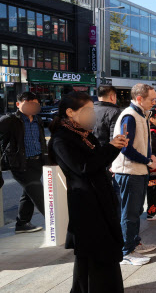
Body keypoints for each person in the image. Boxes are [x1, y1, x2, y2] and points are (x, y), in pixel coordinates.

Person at [48, 92, 128, 293]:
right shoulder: (61, 139)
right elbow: (82, 168)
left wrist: (114, 147)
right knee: (95, 253)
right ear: (70, 112)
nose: (92, 115)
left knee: (97, 256)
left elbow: (98, 161)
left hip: (100, 199)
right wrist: (110, 148)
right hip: (86, 205)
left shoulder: (85, 133)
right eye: (87, 111)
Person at [111, 83, 156, 266]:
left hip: (137, 170)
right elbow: (125, 147)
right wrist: (147, 161)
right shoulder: (130, 116)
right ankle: (126, 252)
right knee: (129, 213)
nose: (154, 103)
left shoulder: (141, 114)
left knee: (135, 210)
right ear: (139, 98)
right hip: (129, 171)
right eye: (152, 99)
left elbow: (141, 143)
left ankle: (133, 243)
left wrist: (150, 155)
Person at [0, 92, 47, 234]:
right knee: (39, 193)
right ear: (18, 104)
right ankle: (59, 221)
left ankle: (22, 223)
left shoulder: (38, 119)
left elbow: (41, 140)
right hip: (20, 164)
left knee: (28, 193)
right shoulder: (10, 120)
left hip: (37, 162)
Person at [93, 85, 123, 214]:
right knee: (115, 193)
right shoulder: (115, 112)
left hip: (91, 159)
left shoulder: (90, 110)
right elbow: (115, 140)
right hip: (108, 159)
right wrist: (115, 163)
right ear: (112, 96)